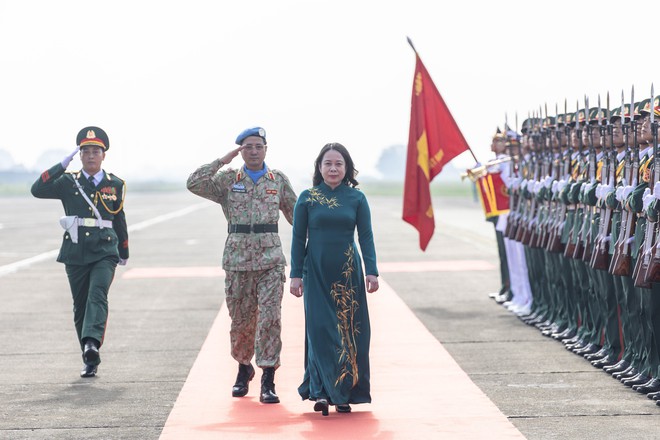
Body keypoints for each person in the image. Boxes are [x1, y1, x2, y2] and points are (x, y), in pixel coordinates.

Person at [186, 127, 297, 404]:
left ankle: (268, 377)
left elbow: (297, 215)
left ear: (266, 149)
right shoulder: (227, 180)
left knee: (270, 318)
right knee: (242, 321)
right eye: (248, 147)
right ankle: (243, 367)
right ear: (240, 150)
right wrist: (222, 161)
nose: (254, 151)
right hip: (237, 261)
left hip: (271, 260)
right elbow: (194, 183)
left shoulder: (278, 180)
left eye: (258, 146)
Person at [31, 126, 129, 378]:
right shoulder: (67, 182)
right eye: (85, 151)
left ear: (103, 155)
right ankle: (89, 357)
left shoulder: (114, 184)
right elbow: (37, 189)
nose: (91, 156)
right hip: (75, 249)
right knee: (80, 305)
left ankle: (91, 343)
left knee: (97, 294)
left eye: (96, 151)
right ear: (80, 155)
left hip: (105, 249)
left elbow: (118, 218)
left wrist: (123, 249)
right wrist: (62, 164)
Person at [289, 142, 379, 416]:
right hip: (314, 273)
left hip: (347, 275)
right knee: (319, 332)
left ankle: (343, 393)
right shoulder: (307, 198)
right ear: (319, 167)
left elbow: (365, 236)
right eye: (328, 163)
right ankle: (320, 392)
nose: (333, 168)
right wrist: (294, 274)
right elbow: (297, 238)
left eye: (338, 164)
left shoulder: (357, 199)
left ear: (347, 168)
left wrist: (371, 270)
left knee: (349, 334)